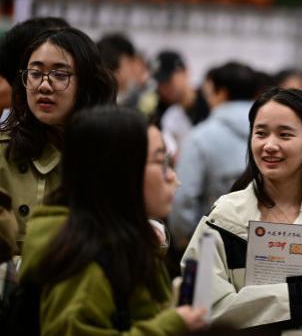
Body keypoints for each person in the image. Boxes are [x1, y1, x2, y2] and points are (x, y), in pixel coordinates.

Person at [182, 88, 302, 334]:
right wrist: (292, 303)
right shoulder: (222, 220)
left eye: (285, 135)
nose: (270, 145)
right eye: (260, 133)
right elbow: (199, 307)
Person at [17, 106, 207, 335]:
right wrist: (171, 326)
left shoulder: (120, 240)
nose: (172, 177)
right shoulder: (84, 260)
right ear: (120, 172)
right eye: (161, 162)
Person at [0, 27, 116, 245]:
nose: (44, 85)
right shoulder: (3, 153)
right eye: (35, 74)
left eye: (60, 75)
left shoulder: (108, 156)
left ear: (87, 84)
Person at [170, 62, 258, 248]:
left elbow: (184, 197)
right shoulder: (272, 136)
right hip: (265, 242)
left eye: (209, 92)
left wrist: (187, 239)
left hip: (212, 244)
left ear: (222, 93)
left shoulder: (200, 137)